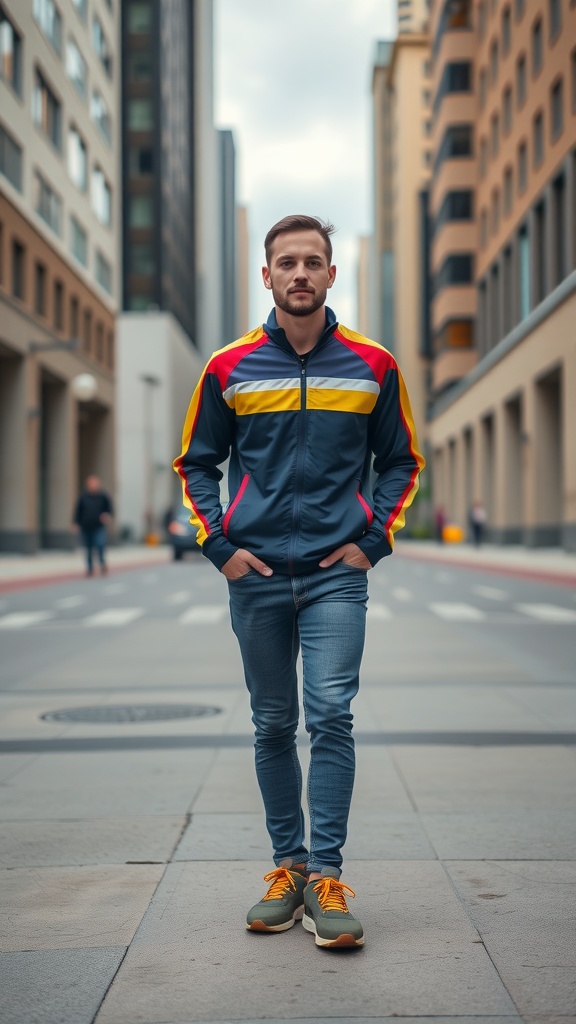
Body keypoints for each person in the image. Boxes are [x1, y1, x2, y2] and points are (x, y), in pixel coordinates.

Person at [174, 215, 425, 948]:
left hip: (333, 578)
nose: (301, 274)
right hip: (253, 576)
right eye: (287, 262)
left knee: (332, 715)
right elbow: (196, 462)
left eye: (314, 261)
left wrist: (373, 540)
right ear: (267, 276)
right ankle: (287, 868)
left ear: (331, 274)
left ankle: (327, 878)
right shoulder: (229, 367)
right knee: (272, 724)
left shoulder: (373, 366)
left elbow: (402, 460)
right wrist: (219, 546)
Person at [73, 475, 113, 576]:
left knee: (100, 544)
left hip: (98, 526)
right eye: (91, 483)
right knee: (88, 548)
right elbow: (78, 511)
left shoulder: (103, 496)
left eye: (95, 483)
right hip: (86, 526)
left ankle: (102, 563)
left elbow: (109, 509)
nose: (93, 485)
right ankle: (90, 568)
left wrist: (106, 515)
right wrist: (76, 523)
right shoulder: (83, 496)